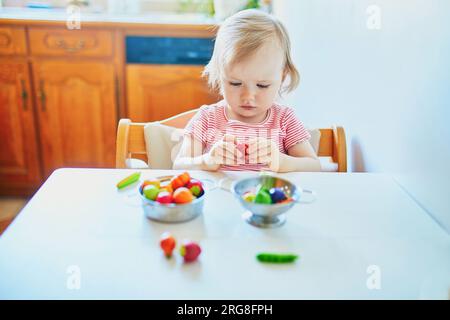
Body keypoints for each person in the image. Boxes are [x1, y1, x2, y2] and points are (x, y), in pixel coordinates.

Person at [173, 9, 321, 172]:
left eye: (262, 85)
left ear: (282, 76)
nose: (248, 97)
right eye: (235, 83)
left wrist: (281, 161)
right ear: (219, 75)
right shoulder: (207, 119)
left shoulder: (284, 119)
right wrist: (207, 160)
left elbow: (314, 166)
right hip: (220, 197)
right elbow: (179, 165)